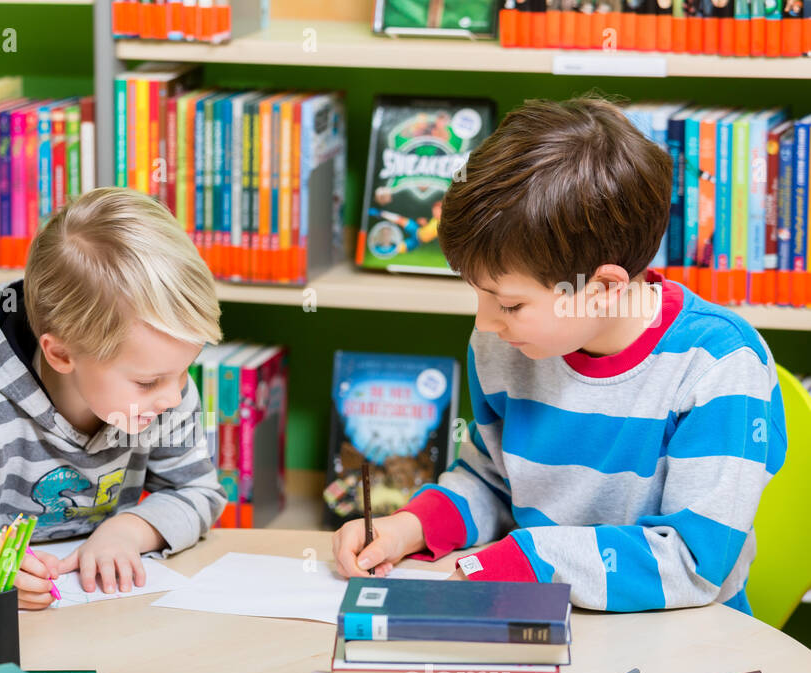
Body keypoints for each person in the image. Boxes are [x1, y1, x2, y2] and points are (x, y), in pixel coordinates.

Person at [333, 97, 785, 614]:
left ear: (601, 288)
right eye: (477, 294)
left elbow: (694, 562)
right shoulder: (507, 342)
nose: (483, 323)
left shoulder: (721, 366)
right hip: (538, 619)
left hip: (680, 643)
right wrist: (408, 527)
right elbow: (494, 481)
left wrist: (532, 561)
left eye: (508, 303)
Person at [0, 187, 226, 609]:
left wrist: (127, 531)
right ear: (61, 354)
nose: (174, 394)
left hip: (94, 614)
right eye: (148, 382)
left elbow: (199, 490)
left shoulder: (165, 393)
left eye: (184, 370)